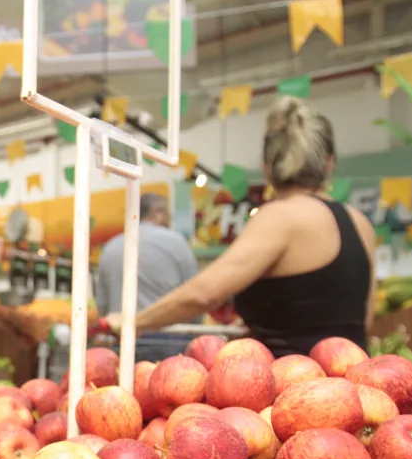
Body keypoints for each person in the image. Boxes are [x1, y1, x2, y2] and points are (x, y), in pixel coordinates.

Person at [108, 97, 375, 357]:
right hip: (356, 388)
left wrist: (133, 321)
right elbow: (365, 322)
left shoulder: (279, 217)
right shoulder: (360, 222)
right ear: (329, 163)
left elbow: (204, 293)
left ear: (267, 168)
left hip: (290, 391)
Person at [96, 193, 199, 360]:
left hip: (122, 340)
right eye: (167, 212)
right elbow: (195, 293)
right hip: (170, 340)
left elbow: (102, 303)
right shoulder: (176, 243)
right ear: (157, 212)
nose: (169, 218)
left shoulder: (111, 247)